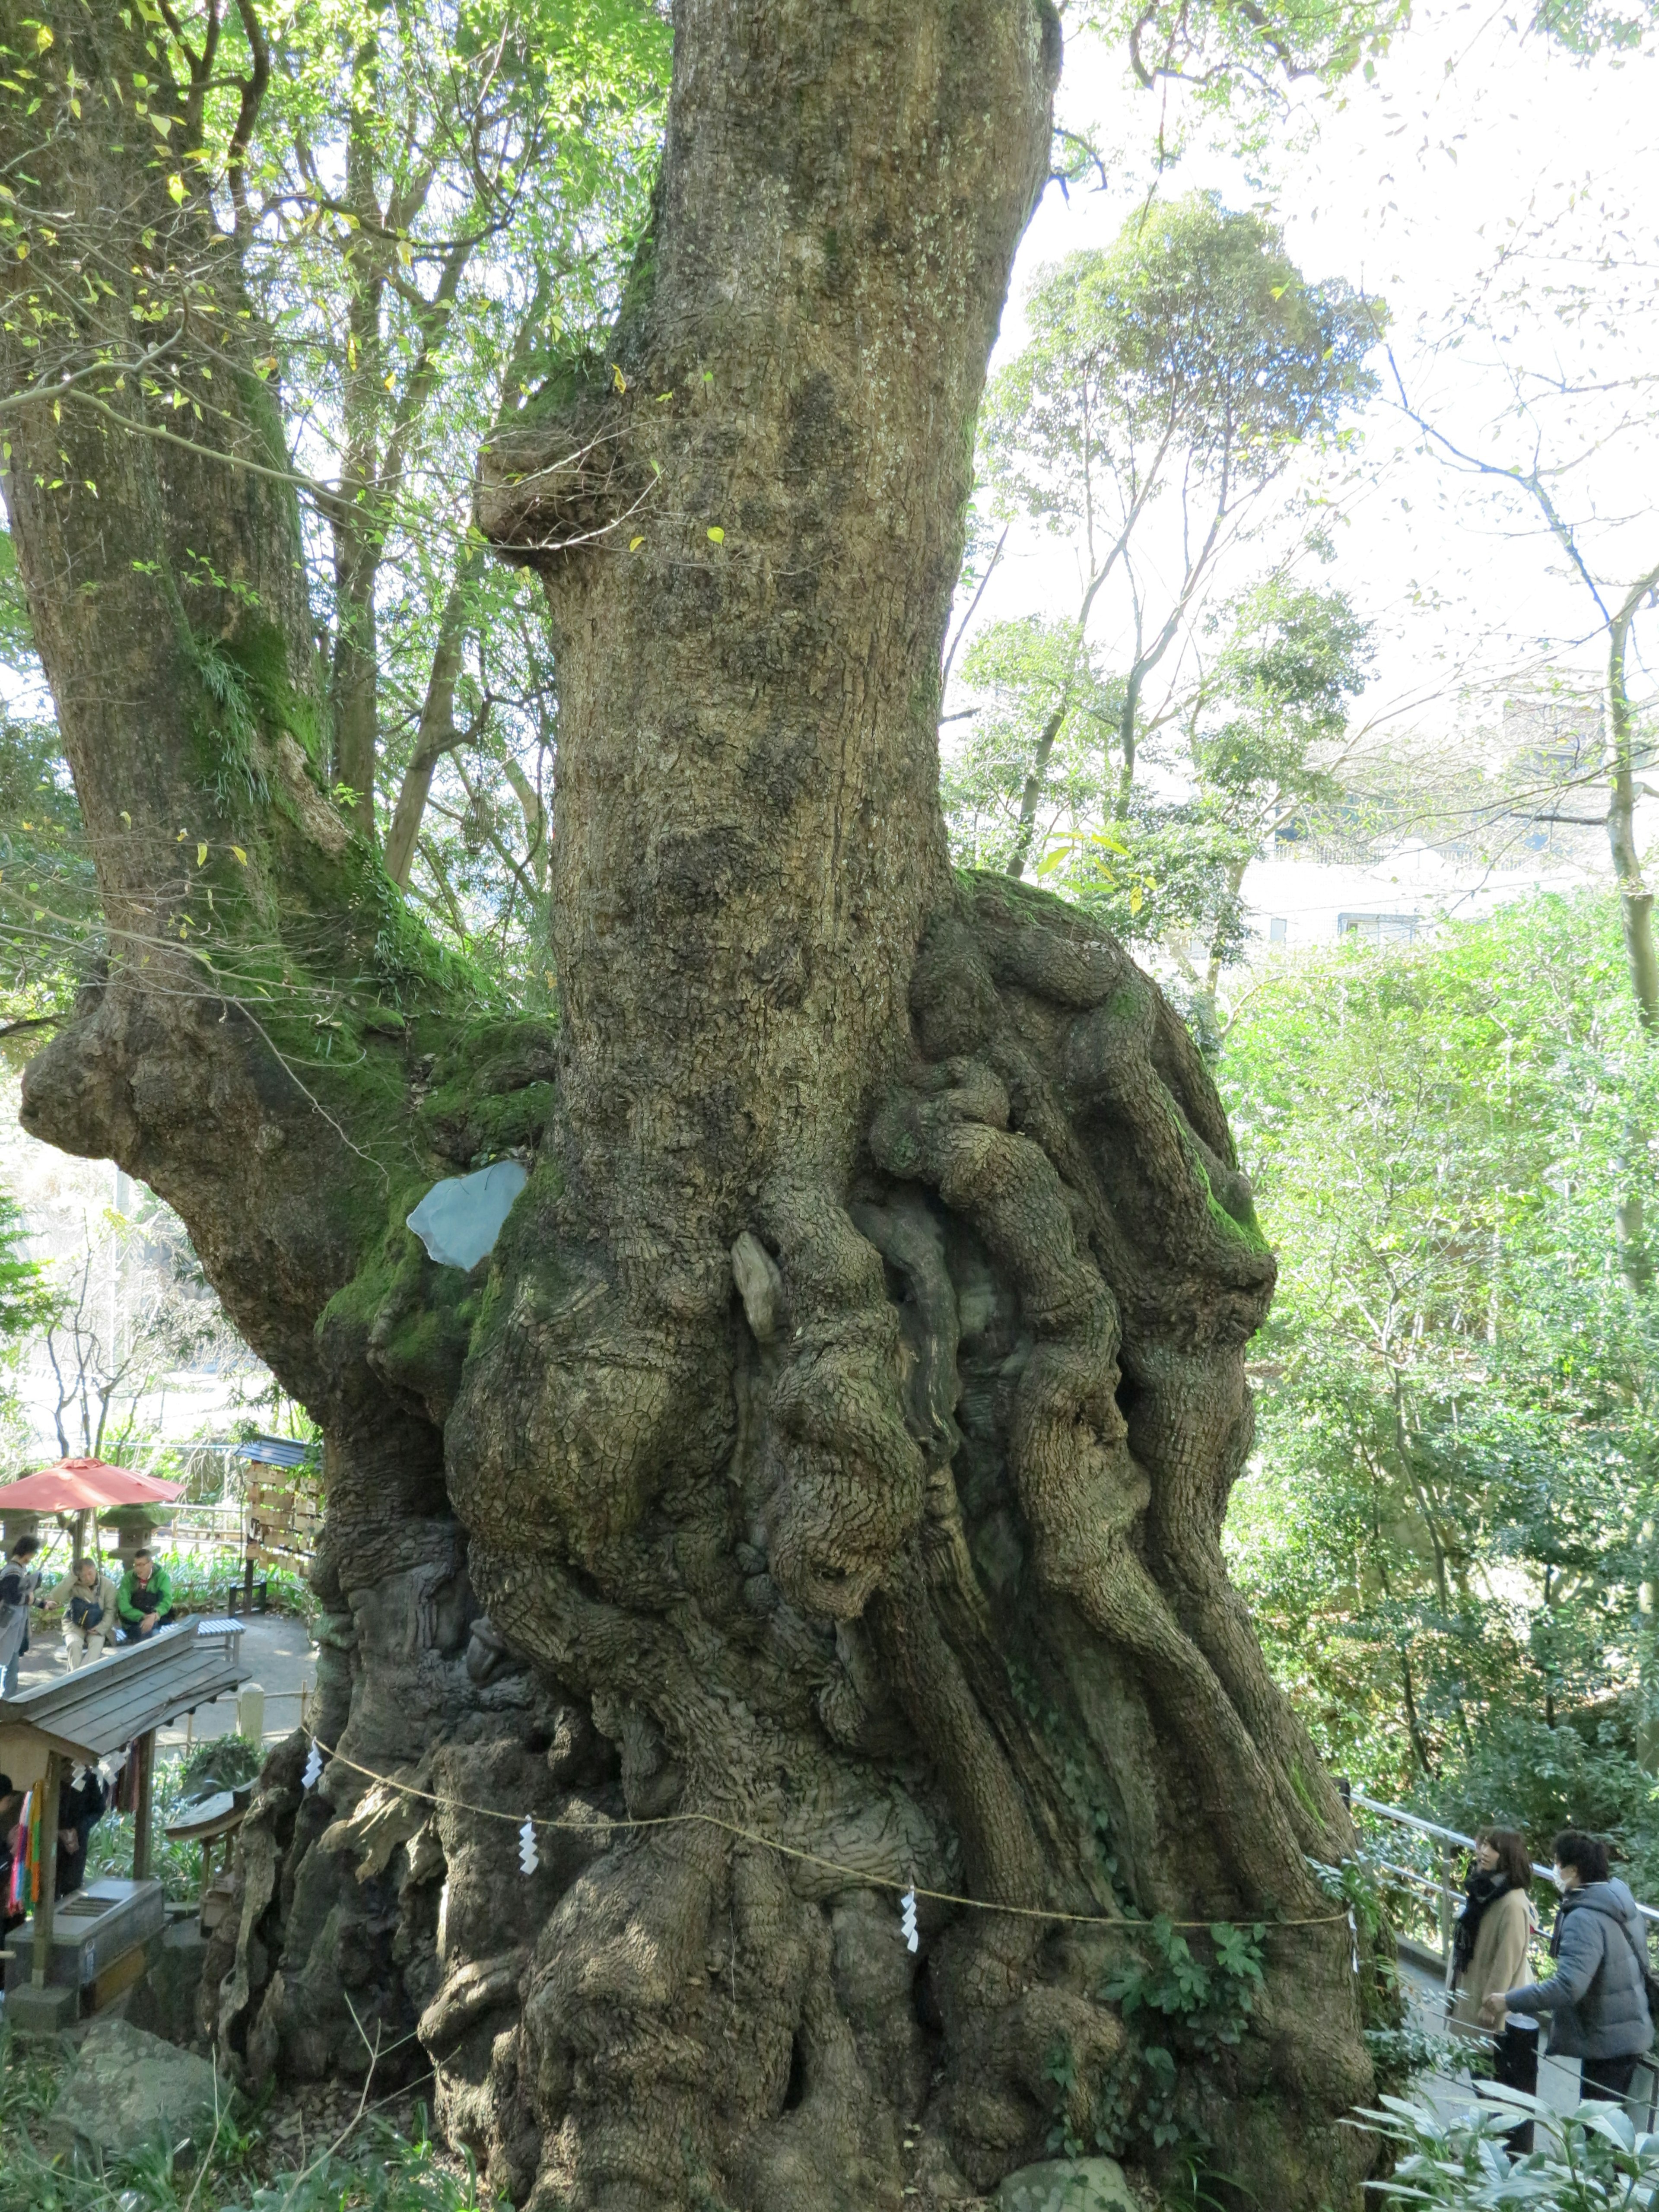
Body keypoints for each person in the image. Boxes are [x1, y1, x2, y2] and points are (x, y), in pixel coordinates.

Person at [1484, 1828, 1655, 2107]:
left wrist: (1508, 2001)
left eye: (1557, 1863)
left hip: (1608, 2042)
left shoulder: (1584, 1918)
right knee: (1617, 2126)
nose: (1554, 1869)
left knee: (1597, 2134)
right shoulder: (1620, 1901)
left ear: (1573, 1871)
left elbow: (1568, 1986)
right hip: (1632, 2030)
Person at [1450, 1828, 1538, 2151]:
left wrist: (1492, 2004)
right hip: (1475, 1990)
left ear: (1509, 1857)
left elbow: (1508, 1958)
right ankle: (1495, 2145)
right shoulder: (1483, 1889)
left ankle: (1503, 2150)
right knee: (1481, 2076)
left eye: (1494, 1848)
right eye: (1483, 1845)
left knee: (1492, 2082)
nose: (1484, 1852)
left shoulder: (1512, 1902)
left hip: (1494, 2006)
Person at [46, 1555, 119, 1669]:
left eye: (90, 1573)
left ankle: (77, 1679)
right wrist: (71, 1578)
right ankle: (78, 1681)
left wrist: (101, 1628)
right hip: (74, 1625)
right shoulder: (74, 1584)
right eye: (83, 1576)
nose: (88, 1578)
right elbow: (56, 1597)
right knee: (74, 1645)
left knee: (97, 1645)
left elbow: (111, 1610)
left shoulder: (107, 1584)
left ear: (95, 1570)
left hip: (98, 1625)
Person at [53, 1764, 107, 1899]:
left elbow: (99, 1809)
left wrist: (79, 1829)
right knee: (50, 1886)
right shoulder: (49, 1775)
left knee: (72, 1886)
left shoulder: (87, 1777)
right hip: (52, 1841)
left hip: (76, 1841)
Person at [0, 1534, 41, 1698]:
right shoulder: (13, 1572)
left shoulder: (12, 1570)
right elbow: (12, 1597)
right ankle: (7, 1699)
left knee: (11, 1661)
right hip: (8, 1623)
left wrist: (40, 1603)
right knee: (8, 1661)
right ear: (27, 1552)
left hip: (12, 1624)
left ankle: (8, 1698)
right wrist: (30, 1599)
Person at [117, 1551, 175, 1641]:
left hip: (156, 1619)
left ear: (151, 1564)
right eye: (136, 1565)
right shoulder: (128, 1578)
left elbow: (167, 1601)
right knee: (147, 1634)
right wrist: (145, 1617)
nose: (138, 1569)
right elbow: (124, 1606)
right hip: (134, 1621)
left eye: (142, 1565)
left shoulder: (162, 1577)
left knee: (153, 1635)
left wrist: (154, 1616)